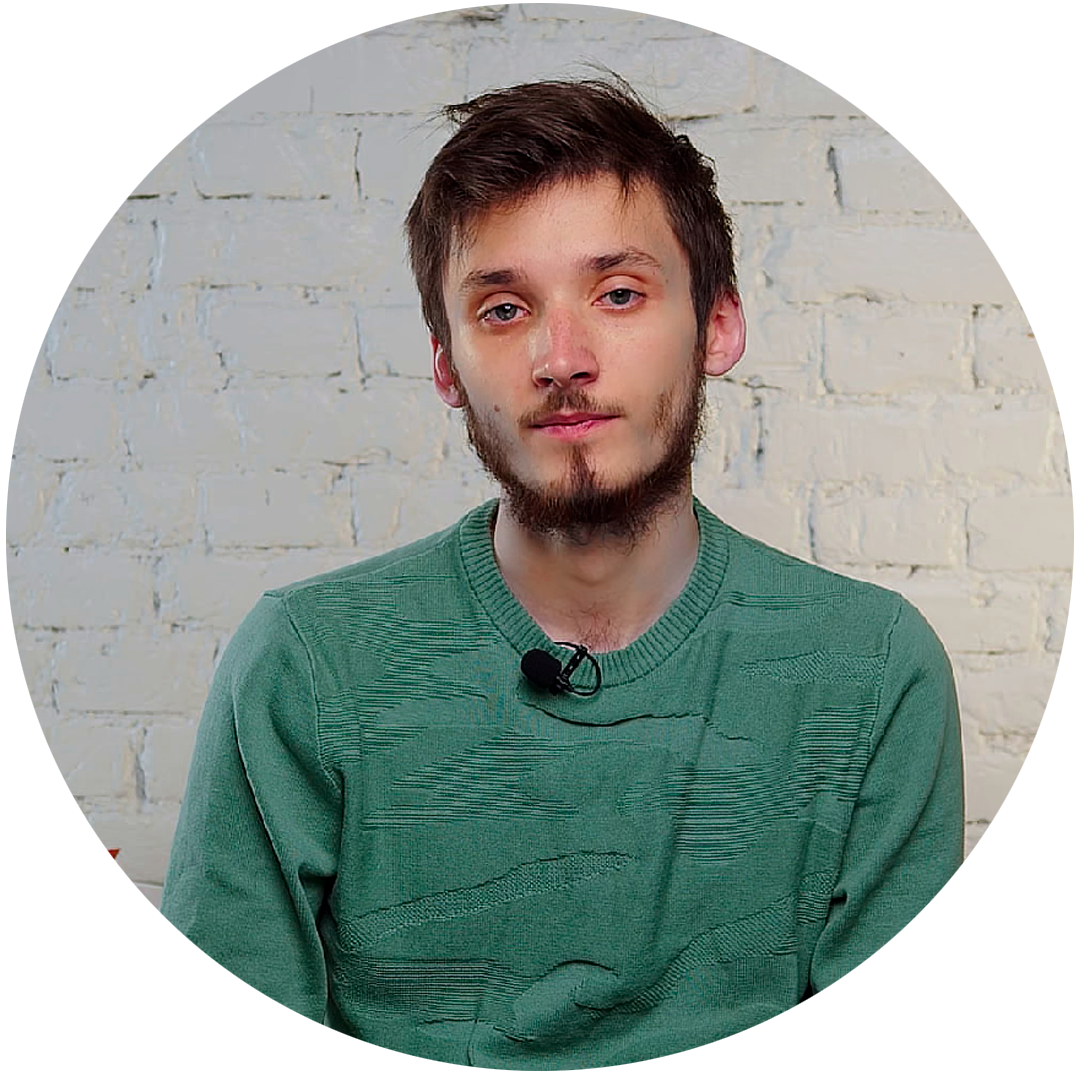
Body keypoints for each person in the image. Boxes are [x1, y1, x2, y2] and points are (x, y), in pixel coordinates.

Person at [161, 77, 963, 1069]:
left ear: (717, 325)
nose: (562, 357)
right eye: (503, 309)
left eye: (619, 294)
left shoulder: (873, 669)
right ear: (447, 366)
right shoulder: (305, 664)